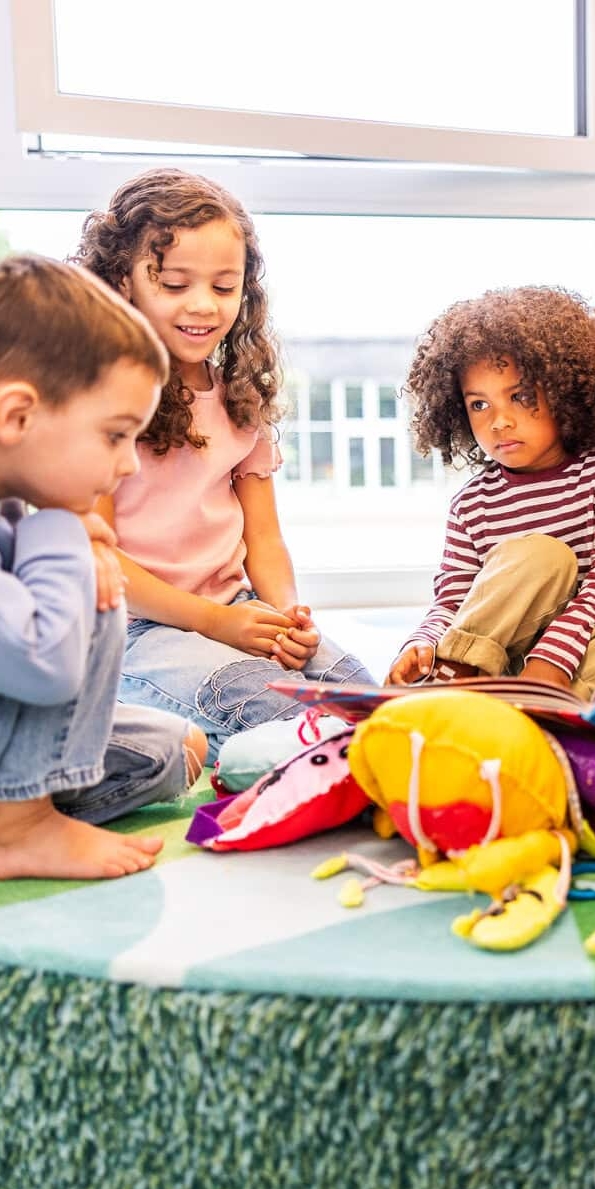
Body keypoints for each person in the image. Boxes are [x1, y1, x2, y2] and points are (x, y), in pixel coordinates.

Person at [71, 168, 373, 760]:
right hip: (134, 630)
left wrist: (286, 616)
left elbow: (265, 540)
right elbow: (95, 556)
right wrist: (211, 622)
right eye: (176, 284)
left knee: (364, 699)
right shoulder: (97, 398)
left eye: (224, 286)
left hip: (233, 610)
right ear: (121, 282)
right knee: (289, 717)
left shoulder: (238, 394)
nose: (204, 306)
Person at [0, 255, 207, 880]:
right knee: (92, 584)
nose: (129, 465)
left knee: (176, 749)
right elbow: (43, 666)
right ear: (17, 416)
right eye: (116, 436)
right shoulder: (42, 524)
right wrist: (61, 531)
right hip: (36, 691)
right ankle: (21, 828)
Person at [388, 286, 595, 699]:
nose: (499, 421)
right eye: (478, 405)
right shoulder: (472, 504)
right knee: (542, 556)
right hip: (489, 667)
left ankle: (554, 710)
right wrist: (422, 643)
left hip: (569, 666)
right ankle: (453, 681)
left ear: (564, 390)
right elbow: (454, 598)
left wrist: (554, 657)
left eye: (520, 396)